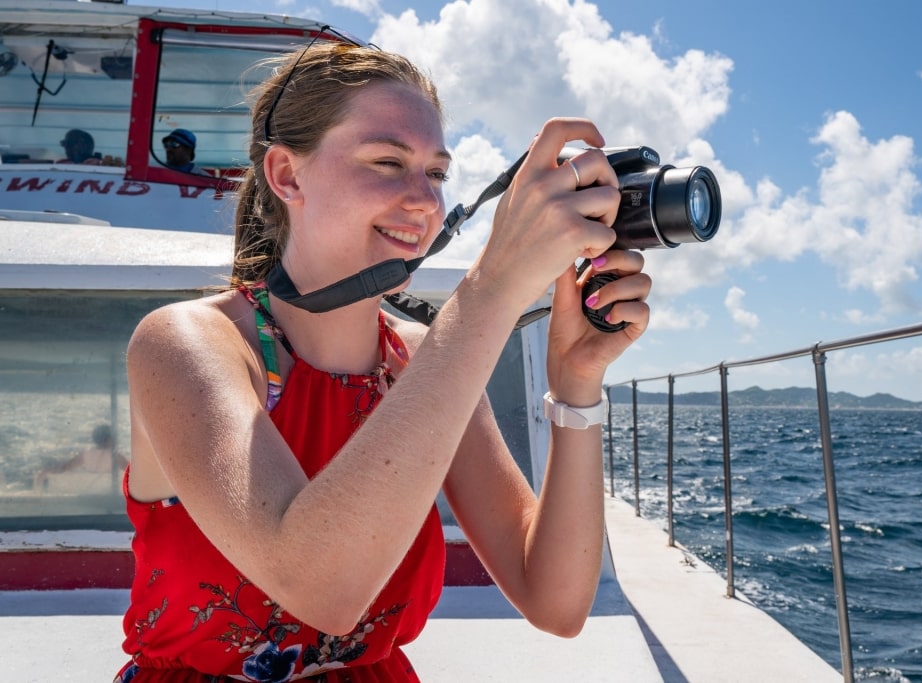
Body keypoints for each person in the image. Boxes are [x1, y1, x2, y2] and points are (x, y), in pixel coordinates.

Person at [116, 41, 651, 682]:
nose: (425, 201)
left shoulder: (418, 358)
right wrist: (492, 290)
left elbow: (556, 601)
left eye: (435, 173)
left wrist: (576, 387)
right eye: (388, 162)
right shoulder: (186, 342)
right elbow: (320, 588)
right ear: (286, 175)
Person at [35, 423, 127, 493]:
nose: (116, 440)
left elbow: (65, 467)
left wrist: (46, 471)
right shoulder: (116, 456)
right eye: (114, 437)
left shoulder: (85, 455)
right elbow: (133, 471)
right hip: (108, 492)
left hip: (90, 491)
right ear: (109, 439)